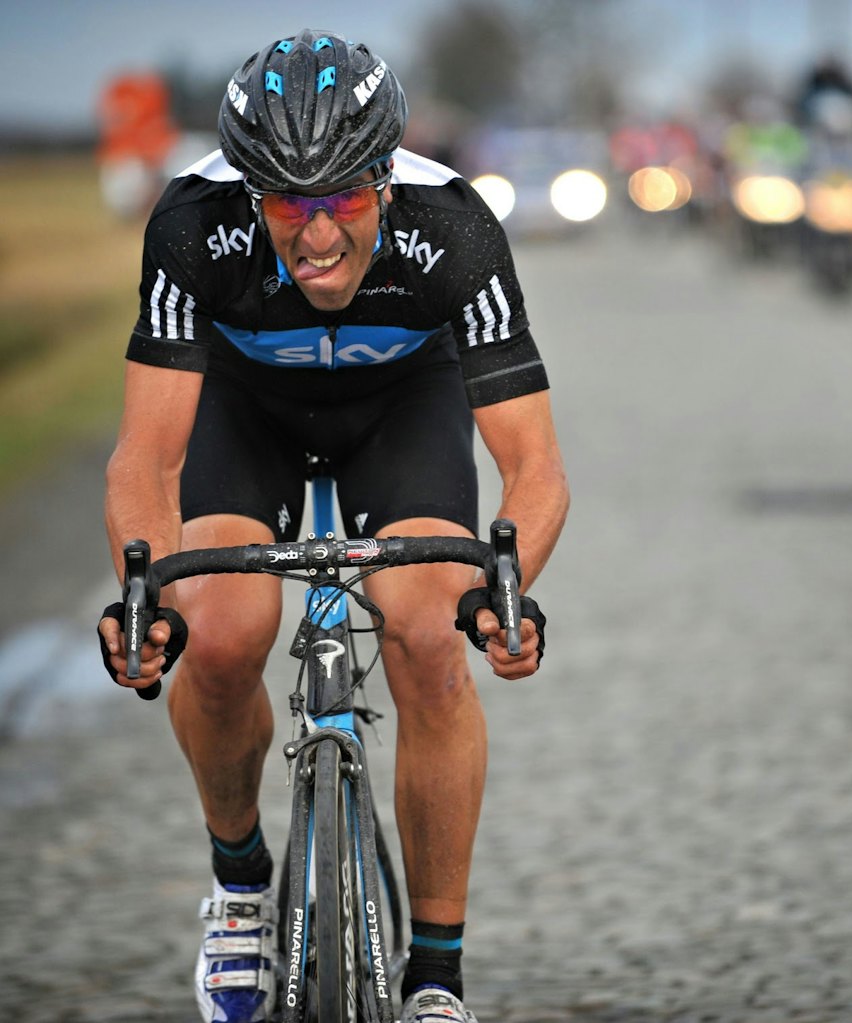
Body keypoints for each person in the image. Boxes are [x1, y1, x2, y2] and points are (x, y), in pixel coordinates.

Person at [97, 29, 569, 1023]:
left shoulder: (456, 228)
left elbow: (533, 464)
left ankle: (435, 977)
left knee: (431, 640)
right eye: (287, 203)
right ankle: (238, 884)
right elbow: (147, 459)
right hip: (245, 407)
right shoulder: (191, 225)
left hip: (405, 405)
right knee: (221, 638)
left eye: (344, 198)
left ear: (388, 181)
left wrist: (505, 591)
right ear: (248, 194)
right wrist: (149, 600)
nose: (316, 235)